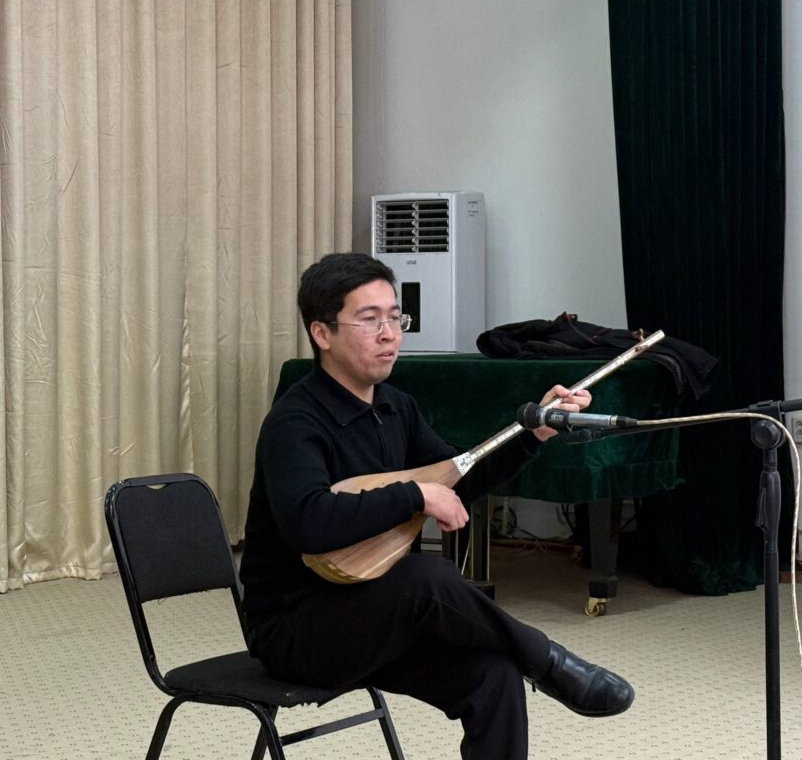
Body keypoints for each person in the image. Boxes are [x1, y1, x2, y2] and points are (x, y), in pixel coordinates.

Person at [239, 252, 634, 759]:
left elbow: (457, 478)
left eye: (394, 317)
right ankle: (549, 661)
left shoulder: (395, 407)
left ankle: (535, 663)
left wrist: (534, 430)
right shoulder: (294, 422)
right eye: (369, 320)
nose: (389, 334)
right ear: (322, 333)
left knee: (494, 675)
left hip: (377, 614)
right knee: (424, 576)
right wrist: (415, 494)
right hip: (296, 630)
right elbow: (309, 523)